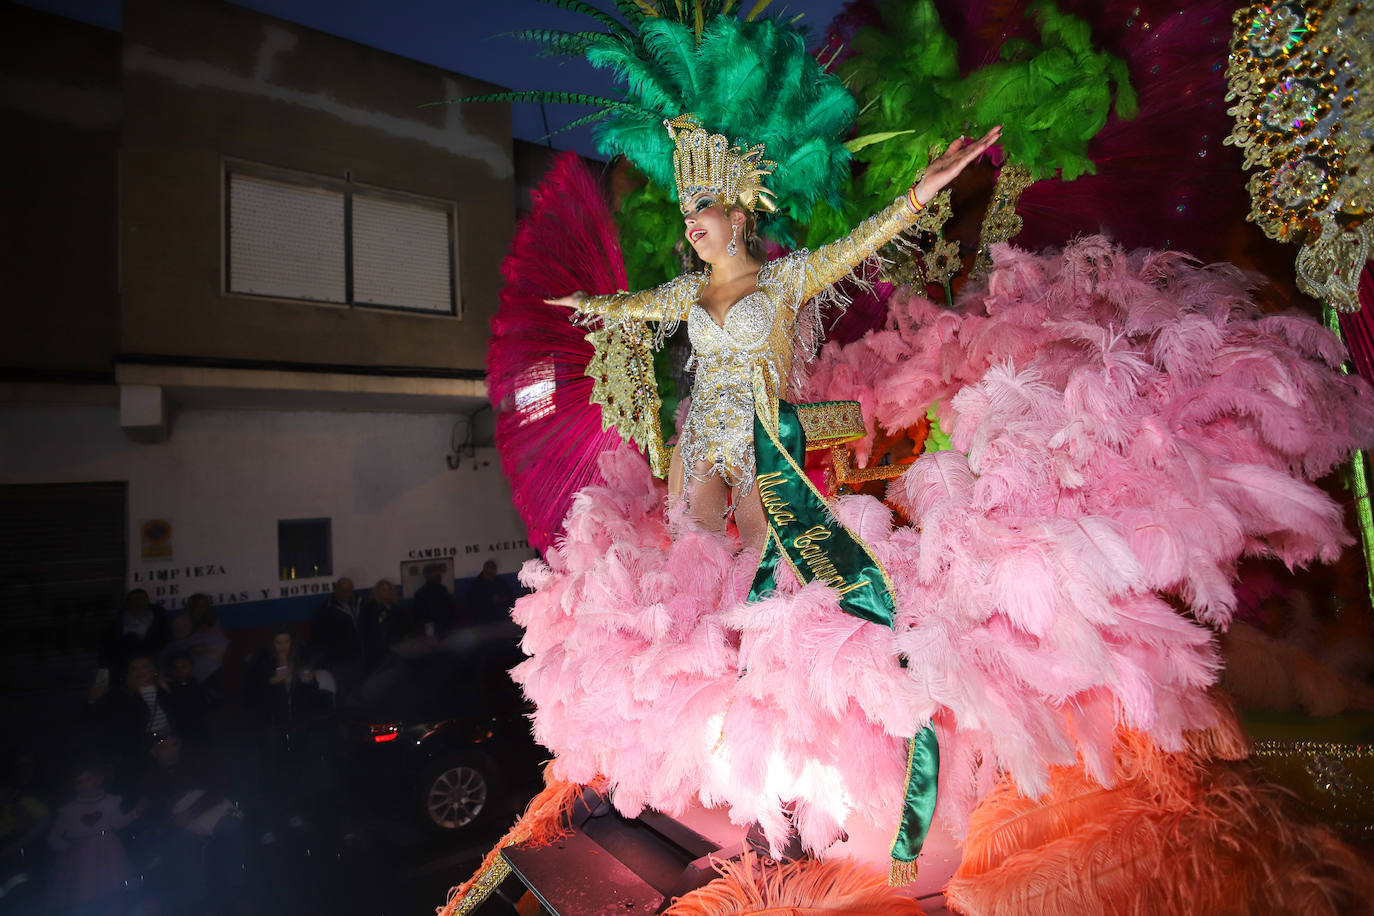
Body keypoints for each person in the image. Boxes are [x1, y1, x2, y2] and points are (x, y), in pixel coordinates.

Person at [548, 119, 1000, 551]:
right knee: (693, 559)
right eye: (684, 213)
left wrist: (923, 191)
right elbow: (632, 305)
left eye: (700, 205)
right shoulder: (688, 291)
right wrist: (585, 301)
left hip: (761, 444)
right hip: (700, 441)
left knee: (760, 562)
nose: (689, 222)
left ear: (738, 216)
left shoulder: (785, 280)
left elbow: (864, 241)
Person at [45, 760, 144, 913]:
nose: (84, 785)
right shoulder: (69, 810)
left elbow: (117, 823)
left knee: (114, 891)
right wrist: (70, 849)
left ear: (98, 779)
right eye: (79, 782)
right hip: (81, 858)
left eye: (88, 779)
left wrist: (136, 813)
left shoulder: (111, 801)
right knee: (85, 893)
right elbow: (53, 838)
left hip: (110, 851)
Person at [99, 588, 171, 679]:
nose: (139, 601)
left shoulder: (158, 616)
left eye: (142, 598)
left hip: (154, 658)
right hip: (127, 662)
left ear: (147, 600)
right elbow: (109, 645)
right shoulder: (119, 620)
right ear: (129, 602)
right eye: (135, 599)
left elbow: (166, 638)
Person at [310, 577, 361, 687]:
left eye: (350, 591)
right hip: (339, 659)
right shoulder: (326, 611)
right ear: (336, 590)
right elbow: (320, 638)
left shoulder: (359, 604)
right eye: (344, 591)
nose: (347, 594)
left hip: (358, 655)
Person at [357, 578, 409, 671]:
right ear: (378, 592)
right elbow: (365, 628)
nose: (387, 592)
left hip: (396, 646)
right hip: (378, 648)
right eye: (384, 590)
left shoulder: (397, 608)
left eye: (389, 589)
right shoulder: (370, 607)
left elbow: (404, 625)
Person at [410, 564, 455, 637]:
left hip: (444, 628)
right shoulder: (421, 593)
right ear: (426, 575)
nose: (438, 575)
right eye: (434, 573)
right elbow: (418, 616)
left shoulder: (443, 589)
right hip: (432, 630)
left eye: (437, 572)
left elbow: (450, 610)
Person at [466, 560, 515, 625]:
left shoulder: (500, 582)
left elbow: (510, 596)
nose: (492, 573)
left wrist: (504, 599)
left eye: (493, 570)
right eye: (489, 571)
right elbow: (474, 604)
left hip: (501, 619)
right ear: (484, 571)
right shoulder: (476, 585)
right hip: (484, 621)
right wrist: (491, 600)